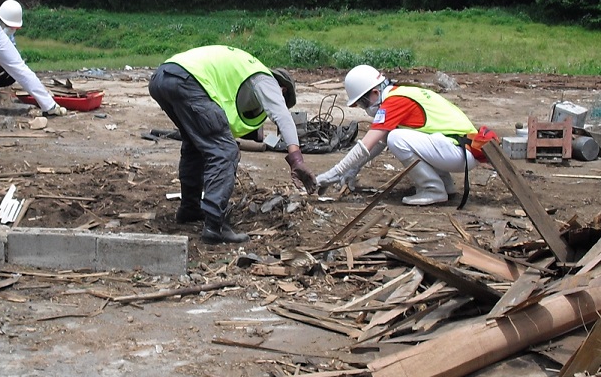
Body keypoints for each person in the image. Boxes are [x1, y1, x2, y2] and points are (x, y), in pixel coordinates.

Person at [148, 46, 315, 244]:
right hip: (187, 81)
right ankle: (215, 226)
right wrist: (296, 160)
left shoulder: (244, 74)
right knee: (225, 151)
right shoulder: (265, 79)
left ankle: (190, 209)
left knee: (195, 146)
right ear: (283, 89)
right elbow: (282, 116)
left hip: (163, 78)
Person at [315, 64, 486, 206]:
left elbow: (368, 143)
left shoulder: (394, 102)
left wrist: (334, 173)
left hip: (460, 152)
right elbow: (379, 142)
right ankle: (445, 185)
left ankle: (432, 189)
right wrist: (353, 168)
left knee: (397, 138)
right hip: (460, 148)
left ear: (375, 93)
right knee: (394, 136)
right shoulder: (401, 93)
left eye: (363, 102)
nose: (363, 108)